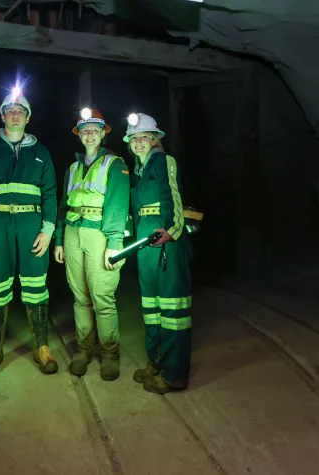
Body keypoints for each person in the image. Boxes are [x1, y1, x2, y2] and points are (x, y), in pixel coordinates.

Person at [0, 87, 59, 378]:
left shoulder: (41, 152)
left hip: (31, 226)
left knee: (35, 285)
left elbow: (51, 194)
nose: (15, 114)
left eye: (21, 111)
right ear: (2, 115)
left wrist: (48, 230)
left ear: (28, 118)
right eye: (10, 110)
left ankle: (42, 346)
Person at [53, 108, 130, 381]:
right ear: (79, 135)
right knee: (80, 297)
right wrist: (60, 239)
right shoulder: (73, 168)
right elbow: (64, 205)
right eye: (84, 130)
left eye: (94, 130)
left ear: (102, 134)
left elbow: (118, 206)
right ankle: (84, 349)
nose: (89, 134)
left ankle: (110, 353)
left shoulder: (115, 164)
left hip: (100, 234)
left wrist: (114, 243)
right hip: (73, 233)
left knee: (102, 297)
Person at [123, 112, 191, 394]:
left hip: (166, 244)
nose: (139, 143)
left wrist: (171, 231)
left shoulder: (164, 161)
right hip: (145, 245)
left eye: (144, 138)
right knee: (151, 309)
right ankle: (156, 361)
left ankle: (174, 374)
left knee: (173, 311)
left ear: (155, 140)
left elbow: (173, 197)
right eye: (134, 138)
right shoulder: (137, 170)